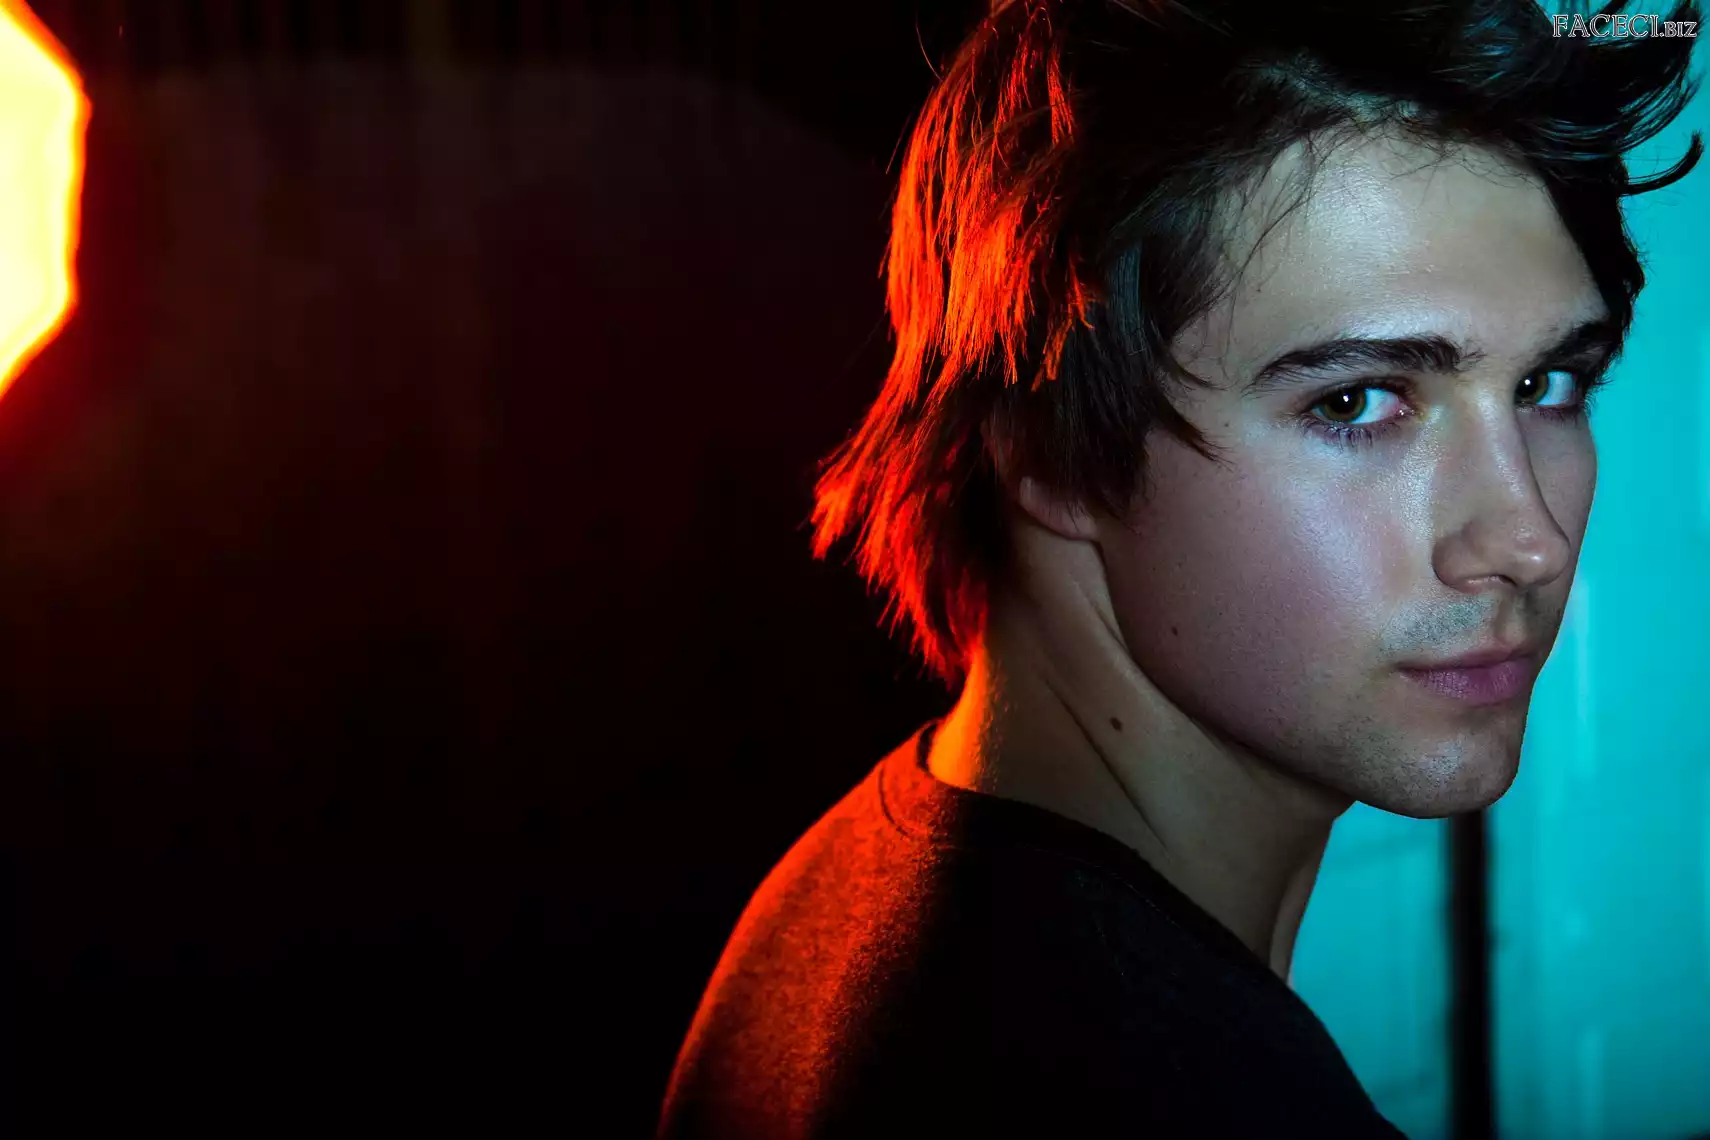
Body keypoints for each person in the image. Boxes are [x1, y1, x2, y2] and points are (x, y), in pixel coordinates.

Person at [656, 1, 1701, 1135]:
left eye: (1547, 386)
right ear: (1047, 448)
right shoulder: (1125, 1084)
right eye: (1357, 402)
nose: (1529, 540)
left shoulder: (883, 890)